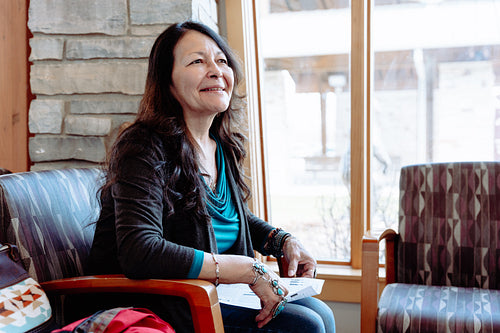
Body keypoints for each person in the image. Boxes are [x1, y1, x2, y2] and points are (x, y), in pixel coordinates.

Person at [86, 20, 335, 333]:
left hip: (212, 294)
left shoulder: (221, 146)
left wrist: (281, 240)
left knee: (321, 313)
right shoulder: (142, 145)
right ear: (168, 81)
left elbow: (226, 216)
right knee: (304, 325)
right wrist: (245, 268)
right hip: (159, 301)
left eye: (221, 60)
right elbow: (140, 250)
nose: (216, 70)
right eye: (197, 61)